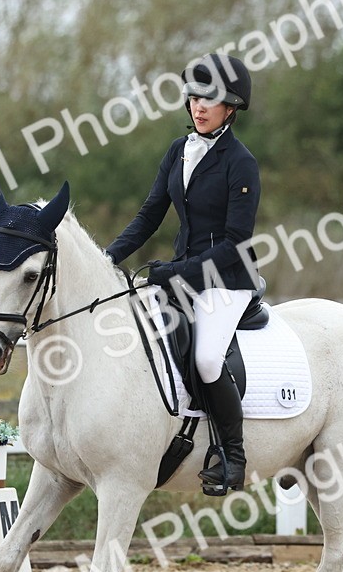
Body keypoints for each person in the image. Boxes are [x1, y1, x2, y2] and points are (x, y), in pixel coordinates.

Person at [104, 53, 261, 496]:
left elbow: (236, 242)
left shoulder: (240, 162)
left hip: (227, 280)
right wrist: (107, 258)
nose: (198, 106)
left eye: (209, 99)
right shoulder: (178, 150)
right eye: (194, 96)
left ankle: (232, 456)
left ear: (231, 108)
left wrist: (177, 271)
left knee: (208, 358)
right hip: (179, 275)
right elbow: (150, 214)